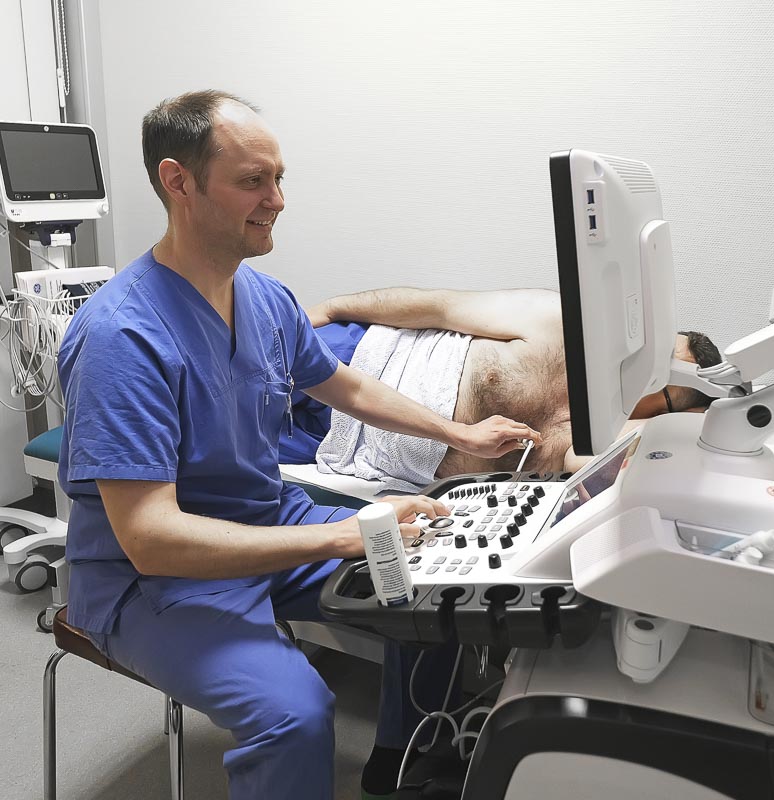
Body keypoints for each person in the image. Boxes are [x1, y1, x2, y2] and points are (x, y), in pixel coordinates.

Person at [57, 90, 540, 800]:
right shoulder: (121, 338)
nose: (277, 199)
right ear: (177, 181)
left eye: (279, 178)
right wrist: (344, 536)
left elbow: (345, 386)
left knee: (428, 579)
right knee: (295, 716)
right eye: (253, 181)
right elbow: (153, 539)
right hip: (152, 581)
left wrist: (457, 432)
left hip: (266, 521)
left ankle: (404, 763)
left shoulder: (267, 300)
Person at [277, 286, 722, 488]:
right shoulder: (561, 326)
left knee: (214, 440)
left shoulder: (593, 440)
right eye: (655, 353)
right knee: (218, 369)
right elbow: (438, 307)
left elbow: (595, 461)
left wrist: (702, 423)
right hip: (359, 355)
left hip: (338, 445)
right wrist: (329, 311)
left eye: (662, 381)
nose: (642, 368)